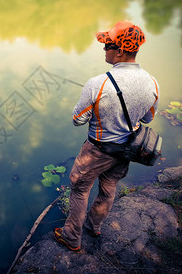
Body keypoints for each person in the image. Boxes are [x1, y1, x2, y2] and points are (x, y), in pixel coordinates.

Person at [54, 21, 160, 252]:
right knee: (108, 188)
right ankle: (95, 225)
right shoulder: (153, 83)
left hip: (97, 150)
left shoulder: (97, 84)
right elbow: (147, 119)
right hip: (125, 151)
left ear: (120, 50)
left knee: (81, 190)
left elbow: (78, 119)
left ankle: (72, 237)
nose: (104, 50)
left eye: (107, 46)